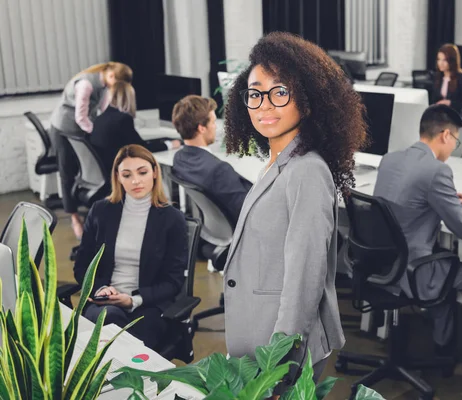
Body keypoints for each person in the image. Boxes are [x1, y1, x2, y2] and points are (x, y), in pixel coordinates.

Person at [223, 32, 367, 384]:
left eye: (280, 91)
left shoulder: (307, 171)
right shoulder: (279, 162)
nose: (265, 104)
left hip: (279, 347)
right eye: (255, 93)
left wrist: (281, 362)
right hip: (256, 333)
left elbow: (305, 279)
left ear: (307, 97)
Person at [373, 105, 462, 371]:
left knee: (445, 270)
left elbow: (405, 205)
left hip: (380, 264)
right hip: (414, 270)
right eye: (456, 140)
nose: (454, 148)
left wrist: (446, 201)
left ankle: (443, 347)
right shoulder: (437, 171)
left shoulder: (390, 159)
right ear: (445, 136)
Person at [73, 144, 188, 350]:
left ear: (154, 172)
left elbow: (173, 281)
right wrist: (101, 289)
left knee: (133, 335)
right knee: (109, 320)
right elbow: (82, 266)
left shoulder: (172, 219)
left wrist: (133, 300)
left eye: (142, 172)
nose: (136, 181)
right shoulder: (101, 211)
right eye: (127, 175)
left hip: (148, 304)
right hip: (104, 303)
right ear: (117, 177)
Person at [50, 62, 133, 239]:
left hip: (81, 130)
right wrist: (96, 133)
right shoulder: (86, 84)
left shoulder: (104, 86)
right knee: (67, 172)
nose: (114, 86)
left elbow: (99, 112)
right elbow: (81, 117)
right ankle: (74, 218)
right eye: (115, 81)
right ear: (109, 74)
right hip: (64, 128)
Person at [171, 95, 251, 223]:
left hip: (210, 225)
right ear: (201, 128)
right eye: (213, 122)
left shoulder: (179, 158)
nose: (215, 127)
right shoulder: (219, 170)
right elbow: (248, 212)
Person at [91, 81, 181, 176]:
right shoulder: (123, 119)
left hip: (106, 169)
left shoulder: (100, 118)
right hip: (120, 172)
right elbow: (140, 149)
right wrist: (169, 145)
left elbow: (135, 143)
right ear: (129, 98)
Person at [432, 44, 462, 113]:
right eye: (439, 59)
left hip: (456, 116)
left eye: (444, 60)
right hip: (440, 116)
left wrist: (450, 103)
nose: (440, 63)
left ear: (452, 61)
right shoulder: (437, 77)